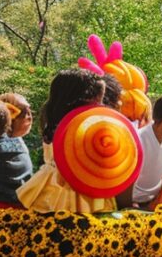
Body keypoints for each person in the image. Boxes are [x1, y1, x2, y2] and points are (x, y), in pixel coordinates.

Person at [18, 68, 111, 213]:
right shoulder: (81, 128)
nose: (101, 107)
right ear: (79, 100)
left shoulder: (52, 120)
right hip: (79, 191)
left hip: (47, 187)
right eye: (97, 101)